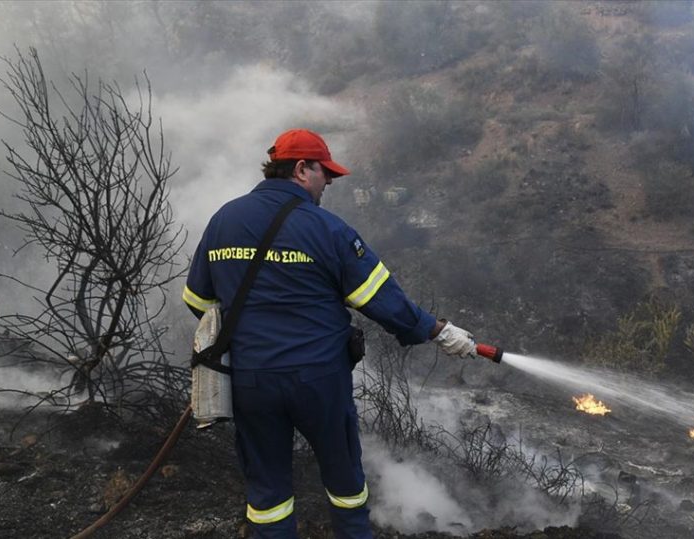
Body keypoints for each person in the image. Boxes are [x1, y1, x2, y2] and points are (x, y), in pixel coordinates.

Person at [182, 128, 476, 539]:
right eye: (327, 174)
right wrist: (437, 330)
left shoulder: (224, 220)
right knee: (345, 485)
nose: (330, 184)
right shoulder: (328, 230)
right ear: (302, 169)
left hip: (251, 380)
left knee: (267, 495)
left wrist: (251, 327)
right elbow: (382, 300)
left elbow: (197, 299)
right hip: (317, 379)